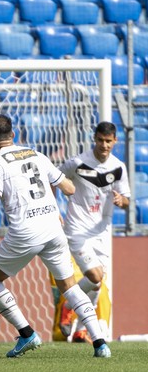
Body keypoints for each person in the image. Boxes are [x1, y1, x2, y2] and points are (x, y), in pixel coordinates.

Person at [0, 114, 110, 358]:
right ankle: (100, 343)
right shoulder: (36, 154)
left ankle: (27, 333)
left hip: (25, 232)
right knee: (69, 287)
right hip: (53, 227)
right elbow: (70, 188)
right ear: (14, 135)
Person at [58, 121, 130, 341]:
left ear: (115, 141)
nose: (104, 145)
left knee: (97, 284)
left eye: (108, 141)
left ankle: (80, 328)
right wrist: (54, 210)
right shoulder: (78, 163)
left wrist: (121, 200)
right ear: (94, 138)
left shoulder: (118, 167)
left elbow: (127, 200)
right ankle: (68, 306)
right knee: (95, 275)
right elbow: (53, 179)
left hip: (101, 231)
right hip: (77, 228)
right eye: (100, 140)